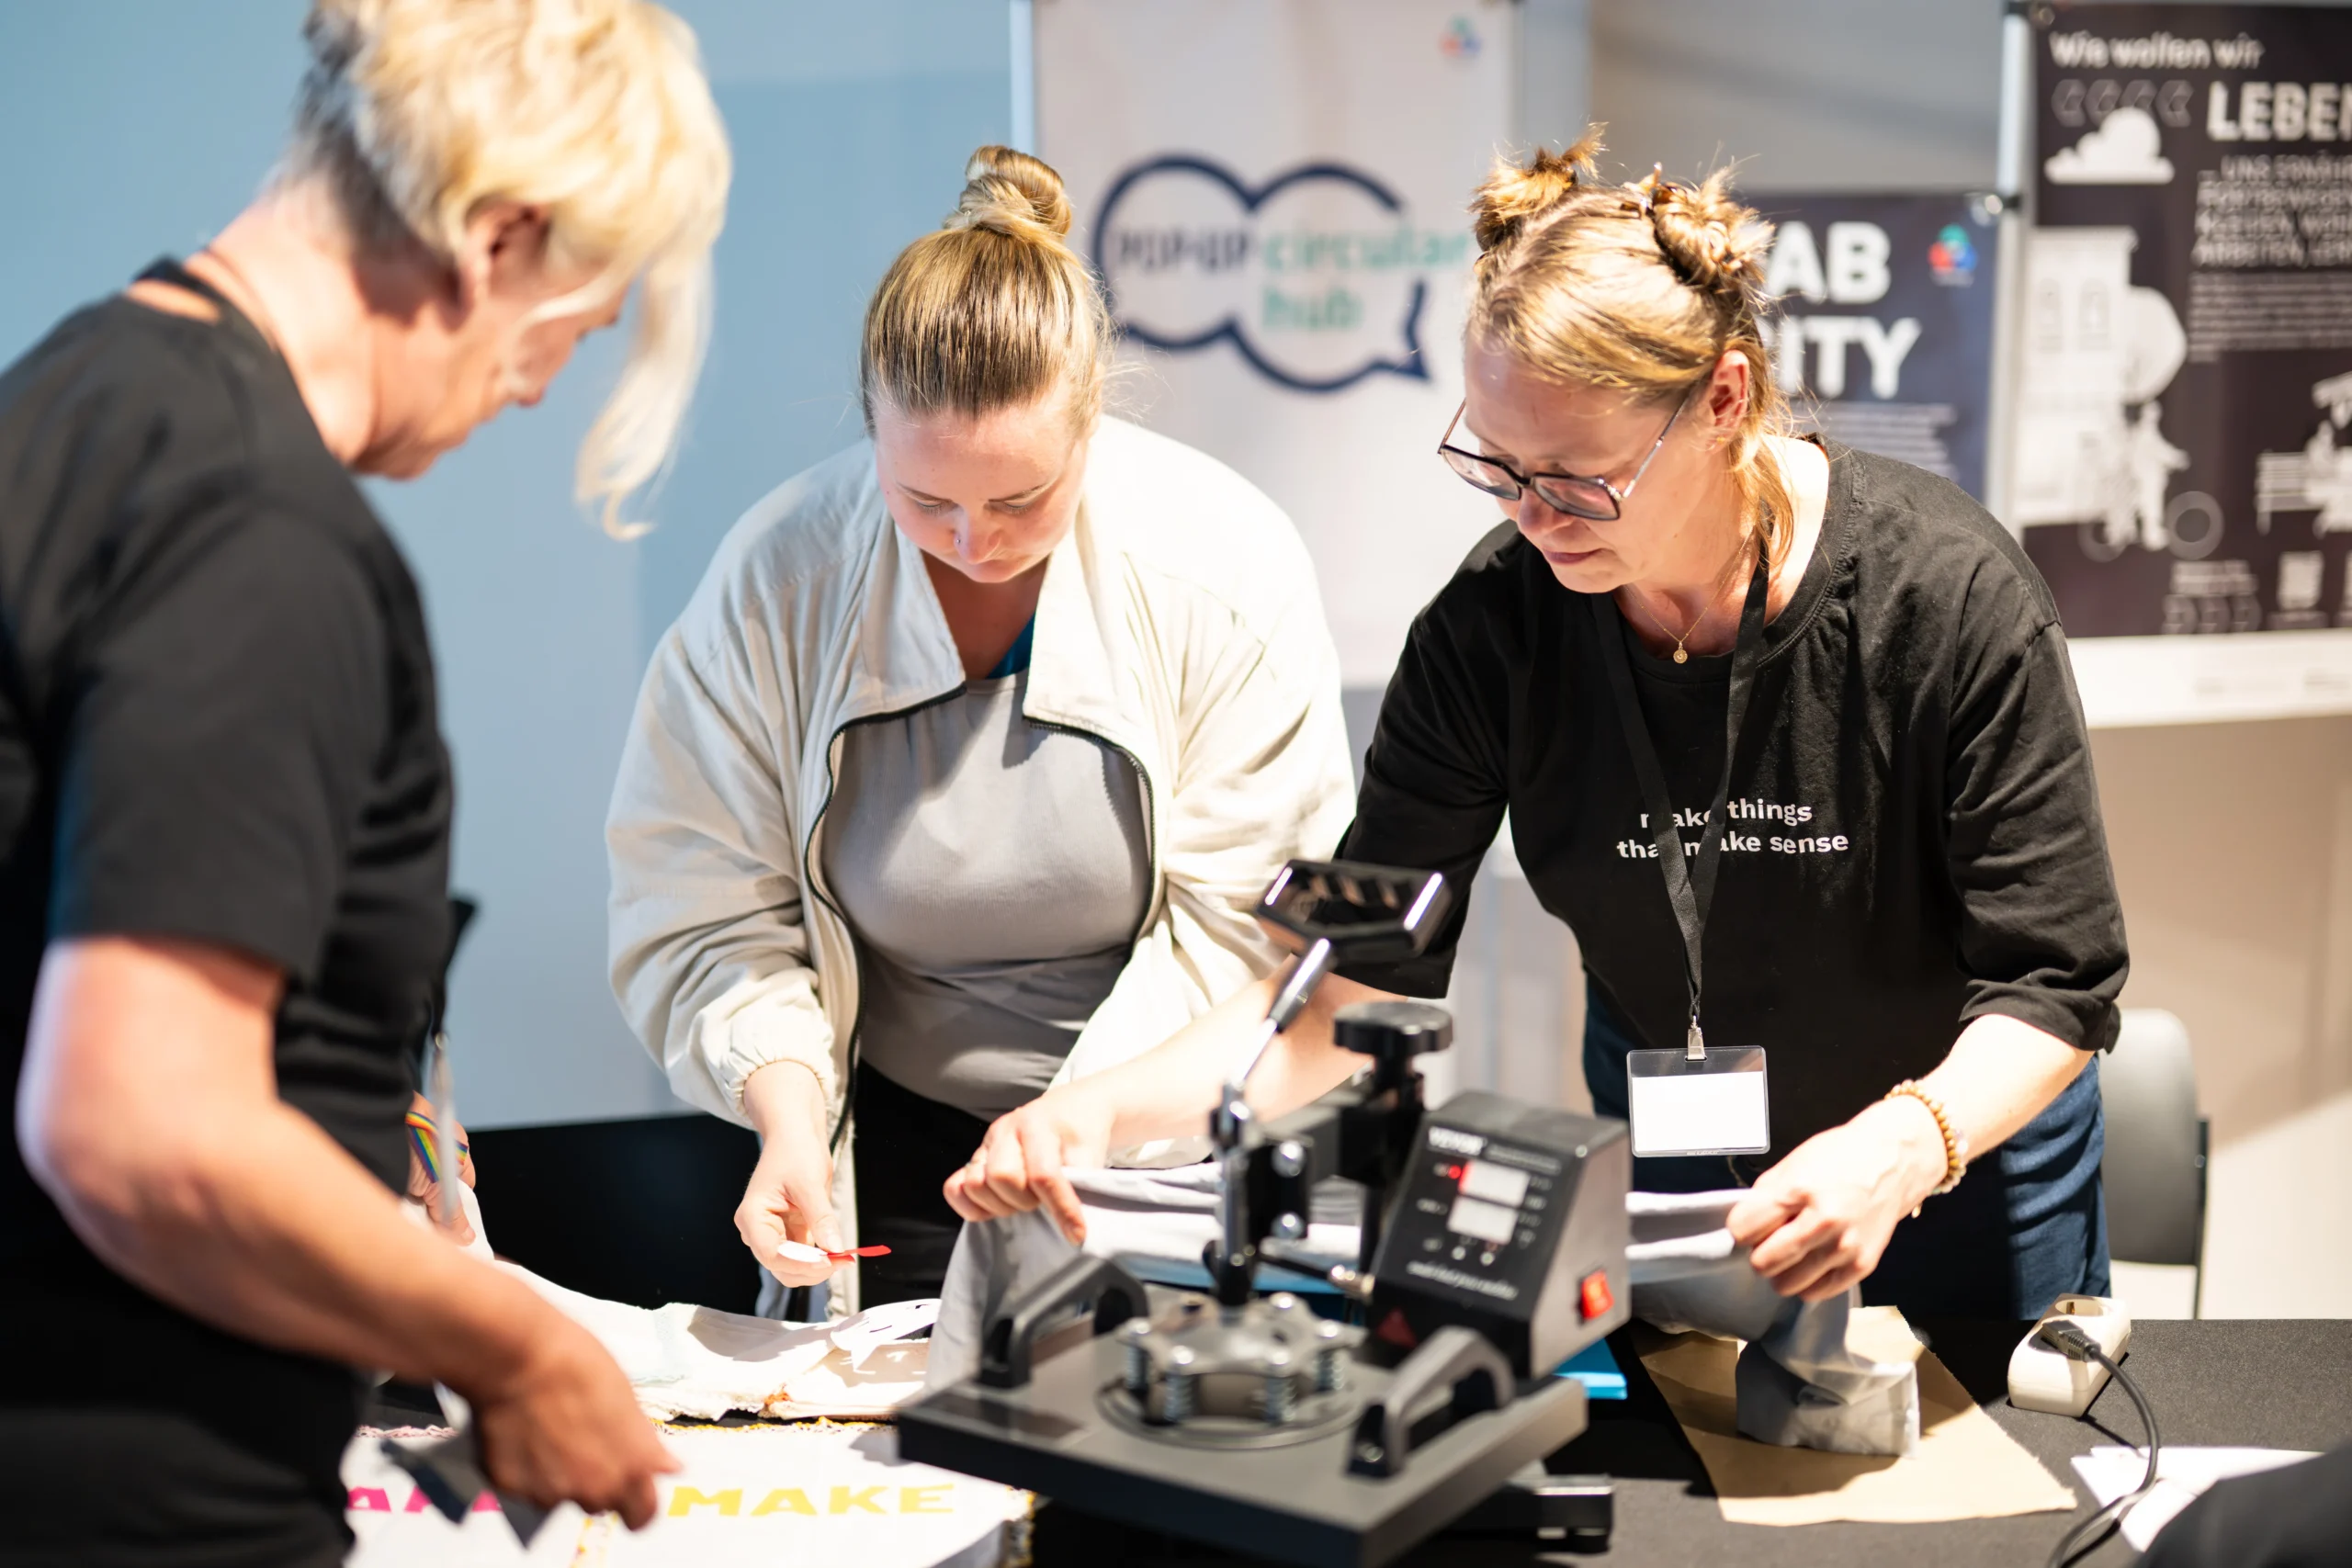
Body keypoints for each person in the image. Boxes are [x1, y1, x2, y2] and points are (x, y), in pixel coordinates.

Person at [945, 132, 2131, 1322]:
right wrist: (1095, 1109)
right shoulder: (1493, 633)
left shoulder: (1948, 596)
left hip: (1952, 1166)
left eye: (1575, 478)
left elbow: (2054, 981)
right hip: (1687, 1181)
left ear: (1722, 397)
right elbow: (1349, 995)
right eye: (1497, 465)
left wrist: (1901, 1147)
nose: (1533, 514)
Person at [0, 2, 729, 1562]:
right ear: (496, 235)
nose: (539, 388)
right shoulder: (258, 536)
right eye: (576, 327)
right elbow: (138, 1124)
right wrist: (510, 1343)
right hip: (143, 1500)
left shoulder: (69, 398)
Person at [606, 146, 1356, 1314]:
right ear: (871, 435)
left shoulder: (1221, 568)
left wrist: (1082, 1120)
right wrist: (784, 1107)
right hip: (900, 1150)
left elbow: (1261, 947)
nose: (972, 541)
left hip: (1178, 1148)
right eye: (924, 501)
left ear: (1092, 424)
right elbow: (700, 908)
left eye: (1019, 500)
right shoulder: (780, 581)